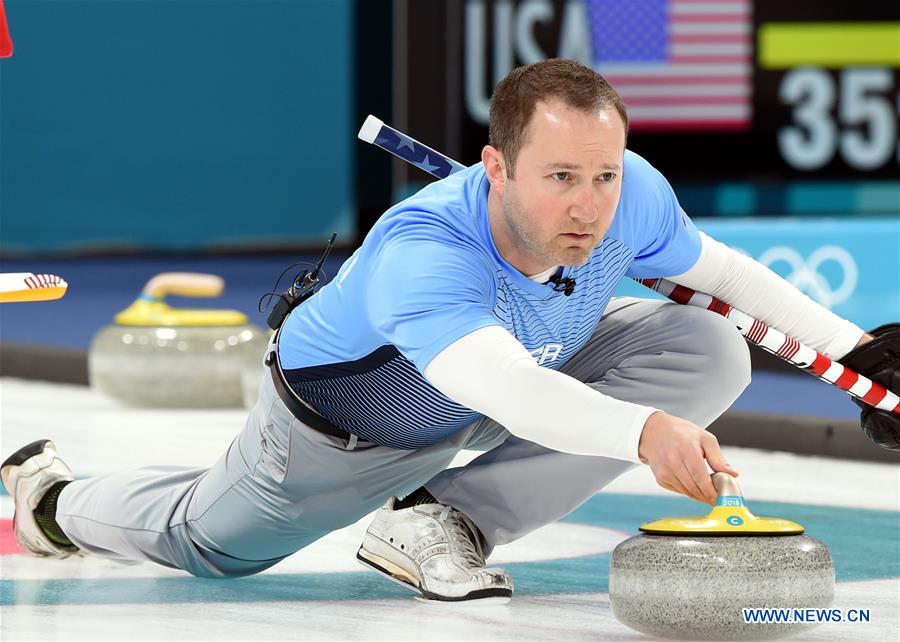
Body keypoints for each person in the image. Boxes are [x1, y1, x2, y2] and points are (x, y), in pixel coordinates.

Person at [3, 59, 897, 604]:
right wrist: (643, 431)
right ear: (496, 168)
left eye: (605, 176)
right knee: (212, 547)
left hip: (529, 365)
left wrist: (858, 351)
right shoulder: (424, 249)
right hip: (350, 427)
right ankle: (52, 498)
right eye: (559, 178)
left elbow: (722, 276)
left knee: (705, 344)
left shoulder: (627, 192)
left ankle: (444, 521)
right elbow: (498, 384)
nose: (589, 207)